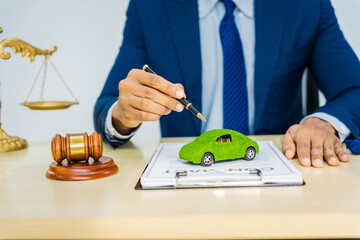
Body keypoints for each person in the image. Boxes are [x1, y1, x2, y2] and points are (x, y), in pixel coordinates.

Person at [94, 0, 360, 168]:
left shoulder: (305, 5)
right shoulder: (150, 7)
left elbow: (354, 90)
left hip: (279, 176)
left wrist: (322, 123)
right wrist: (123, 114)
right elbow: (107, 106)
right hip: (183, 189)